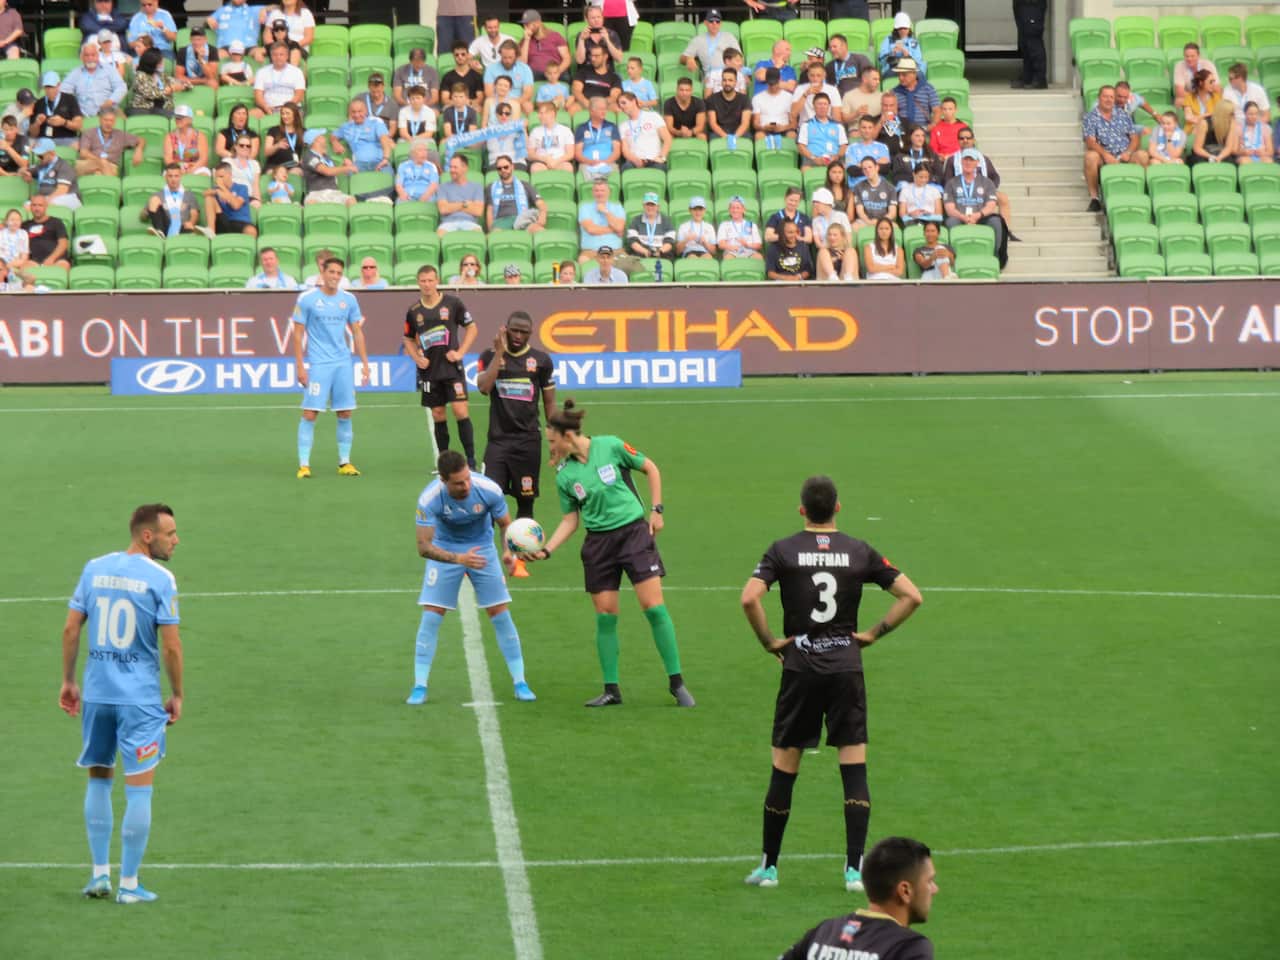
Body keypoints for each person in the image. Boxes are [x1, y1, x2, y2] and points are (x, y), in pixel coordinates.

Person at [741, 475, 923, 891]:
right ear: (837, 508)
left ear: (802, 510)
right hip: (845, 667)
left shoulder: (782, 550)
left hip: (800, 668)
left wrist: (770, 642)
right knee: (853, 767)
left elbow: (749, 598)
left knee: (785, 767)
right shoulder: (859, 550)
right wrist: (874, 633)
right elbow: (912, 596)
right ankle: (855, 870)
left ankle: (769, 867)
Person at [526, 399, 694, 708]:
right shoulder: (564, 475)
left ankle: (677, 683)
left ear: (567, 435)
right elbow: (570, 519)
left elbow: (650, 468)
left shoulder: (611, 446)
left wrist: (657, 510)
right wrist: (546, 550)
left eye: (552, 441)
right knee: (605, 615)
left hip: (633, 534)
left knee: (654, 607)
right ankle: (611, 690)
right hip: (598, 546)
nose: (550, 448)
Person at [60, 503, 184, 905]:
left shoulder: (94, 568)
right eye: (170, 533)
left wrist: (68, 681)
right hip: (139, 702)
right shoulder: (160, 579)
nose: (176, 540)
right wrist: (177, 693)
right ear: (147, 535)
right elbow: (171, 647)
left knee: (98, 779)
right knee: (139, 791)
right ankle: (129, 884)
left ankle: (99, 875)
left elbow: (70, 628)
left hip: (97, 694)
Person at [407, 449, 537, 704]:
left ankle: (520, 681)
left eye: (467, 478)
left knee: (499, 612)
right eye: (458, 482)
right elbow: (423, 547)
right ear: (443, 481)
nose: (466, 485)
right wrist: (458, 559)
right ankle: (419, 685)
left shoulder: (488, 489)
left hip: (482, 548)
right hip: (445, 548)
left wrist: (508, 553)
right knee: (432, 614)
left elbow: (505, 526)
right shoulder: (429, 499)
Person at [476, 309, 555, 566]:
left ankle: (518, 558)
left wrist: (555, 440)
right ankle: (485, 555)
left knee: (525, 502)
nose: (518, 336)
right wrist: (499, 353)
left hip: (528, 442)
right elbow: (484, 388)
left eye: (524, 332)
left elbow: (550, 403)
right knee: (489, 500)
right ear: (505, 329)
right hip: (498, 442)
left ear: (530, 333)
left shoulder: (541, 361)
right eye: (514, 330)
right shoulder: (488, 356)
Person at [777, 836, 938, 958]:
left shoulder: (824, 932)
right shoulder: (908, 947)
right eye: (929, 881)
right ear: (905, 891)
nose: (935, 889)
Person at [292, 256, 369, 479]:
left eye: (338, 273)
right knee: (310, 413)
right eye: (331, 272)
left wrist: (365, 363)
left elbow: (356, 332)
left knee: (345, 412)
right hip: (319, 365)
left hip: (343, 363)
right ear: (323, 273)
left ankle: (344, 462)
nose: (335, 276)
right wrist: (300, 366)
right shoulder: (307, 299)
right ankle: (304, 465)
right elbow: (297, 335)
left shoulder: (349, 299)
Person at [404, 264, 478, 469]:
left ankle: (471, 460)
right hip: (429, 371)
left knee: (460, 410)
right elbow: (408, 338)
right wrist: (417, 359)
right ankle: (445, 463)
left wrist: (461, 352)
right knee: (438, 414)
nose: (427, 284)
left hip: (452, 369)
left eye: (430, 280)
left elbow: (472, 328)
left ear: (437, 281)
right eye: (423, 281)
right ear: (418, 282)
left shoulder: (453, 303)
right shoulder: (414, 311)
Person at [1082, 85, 1147, 212]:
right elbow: (1090, 141)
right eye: (1105, 96)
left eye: (1111, 97)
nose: (1108, 99)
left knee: (1143, 155)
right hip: (1104, 156)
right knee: (1090, 157)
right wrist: (1106, 155)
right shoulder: (1090, 117)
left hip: (1124, 154)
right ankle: (1095, 199)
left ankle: (1142, 193)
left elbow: (1134, 137)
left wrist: (1128, 152)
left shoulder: (1123, 114)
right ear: (1099, 98)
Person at [63, 43, 128, 119]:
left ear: (98, 56)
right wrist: (75, 106)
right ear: (81, 57)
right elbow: (63, 91)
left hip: (109, 109)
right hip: (83, 113)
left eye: (93, 55)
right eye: (87, 55)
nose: (90, 58)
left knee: (125, 125)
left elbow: (121, 87)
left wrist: (110, 101)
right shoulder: (75, 73)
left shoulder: (109, 70)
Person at [332, 97, 393, 173]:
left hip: (379, 161)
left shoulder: (375, 123)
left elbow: (384, 140)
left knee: (387, 178)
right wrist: (335, 142)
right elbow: (333, 136)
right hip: (358, 164)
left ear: (366, 111)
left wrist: (385, 159)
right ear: (350, 113)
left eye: (360, 111)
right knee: (347, 172)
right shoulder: (346, 127)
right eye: (353, 112)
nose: (357, 115)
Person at [142, 162, 201, 237]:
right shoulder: (157, 195)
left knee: (191, 230)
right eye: (170, 176)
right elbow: (143, 217)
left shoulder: (189, 195)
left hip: (183, 227)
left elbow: (194, 213)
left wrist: (191, 223)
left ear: (180, 177)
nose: (173, 179)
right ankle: (160, 232)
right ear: (165, 177)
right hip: (165, 226)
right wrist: (148, 211)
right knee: (154, 200)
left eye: (176, 176)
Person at [487, 154, 545, 230]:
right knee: (495, 235)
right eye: (499, 168)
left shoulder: (525, 185)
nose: (503, 170)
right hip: (501, 222)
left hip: (522, 219)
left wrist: (542, 218)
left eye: (506, 167)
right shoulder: (491, 187)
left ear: (512, 167)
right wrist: (491, 229)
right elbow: (489, 211)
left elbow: (541, 204)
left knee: (539, 230)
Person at [301, 127, 356, 206]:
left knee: (351, 200)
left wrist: (344, 165)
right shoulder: (309, 156)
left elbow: (333, 171)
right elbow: (327, 171)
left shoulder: (326, 156)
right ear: (316, 140)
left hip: (334, 193)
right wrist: (347, 168)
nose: (325, 138)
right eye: (322, 136)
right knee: (311, 203)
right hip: (316, 194)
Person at [577, 176, 626, 261]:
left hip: (615, 251)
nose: (599, 193)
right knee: (582, 260)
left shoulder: (618, 207)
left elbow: (619, 227)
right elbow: (591, 229)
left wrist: (606, 212)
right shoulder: (584, 207)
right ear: (593, 192)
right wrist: (613, 229)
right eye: (596, 190)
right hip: (591, 251)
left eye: (602, 190)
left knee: (629, 264)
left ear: (608, 192)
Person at [252, 42, 306, 118]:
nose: (278, 57)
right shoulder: (262, 72)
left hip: (291, 108)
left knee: (297, 114)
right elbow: (258, 96)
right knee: (252, 114)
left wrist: (286, 108)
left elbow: (299, 95)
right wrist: (265, 106)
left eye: (281, 54)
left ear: (287, 56)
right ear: (271, 56)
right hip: (268, 109)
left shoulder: (296, 71)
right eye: (275, 55)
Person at [620, 91, 671, 170]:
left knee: (660, 168)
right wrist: (636, 160)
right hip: (634, 161)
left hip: (654, 160)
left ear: (633, 101)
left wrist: (661, 157)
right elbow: (625, 150)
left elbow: (667, 139)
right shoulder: (623, 126)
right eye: (619, 104)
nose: (621, 106)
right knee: (626, 168)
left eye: (623, 103)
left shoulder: (653, 116)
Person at [574, 97, 622, 179]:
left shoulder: (612, 126)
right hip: (587, 164)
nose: (604, 112)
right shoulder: (582, 128)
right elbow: (577, 153)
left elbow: (617, 151)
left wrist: (605, 162)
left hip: (609, 164)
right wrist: (590, 162)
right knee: (589, 181)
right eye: (601, 109)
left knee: (612, 180)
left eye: (605, 109)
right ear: (591, 111)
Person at [27, 138, 82, 210]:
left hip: (68, 197)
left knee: (41, 205)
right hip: (47, 197)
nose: (39, 158)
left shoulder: (63, 166)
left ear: (52, 153)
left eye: (41, 156)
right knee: (27, 205)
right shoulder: (41, 165)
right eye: (37, 155)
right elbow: (24, 170)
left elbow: (62, 190)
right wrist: (25, 173)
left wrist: (44, 201)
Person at [204, 160, 256, 235]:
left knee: (251, 230)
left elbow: (236, 205)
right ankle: (210, 231)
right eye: (217, 177)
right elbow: (205, 193)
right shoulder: (216, 190)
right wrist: (216, 191)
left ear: (230, 175)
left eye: (221, 177)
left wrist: (223, 189)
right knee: (209, 198)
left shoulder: (242, 188)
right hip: (225, 222)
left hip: (241, 222)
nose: (218, 180)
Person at [436, 153, 484, 233]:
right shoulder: (443, 187)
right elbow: (443, 209)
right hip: (448, 223)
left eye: (455, 167)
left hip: (470, 223)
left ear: (465, 168)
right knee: (440, 234)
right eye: (450, 167)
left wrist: (451, 206)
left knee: (478, 234)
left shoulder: (477, 187)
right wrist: (465, 204)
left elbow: (478, 211)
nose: (452, 170)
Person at [33, 73, 84, 146]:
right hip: (44, 139)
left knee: (76, 145)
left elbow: (78, 125)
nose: (49, 90)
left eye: (52, 87)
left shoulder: (70, 99)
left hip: (66, 138)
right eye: (47, 87)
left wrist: (63, 122)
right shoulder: (39, 103)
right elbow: (33, 133)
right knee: (33, 145)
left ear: (59, 85)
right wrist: (37, 123)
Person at [681, 9, 737, 75]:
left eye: (717, 21)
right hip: (710, 76)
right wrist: (688, 59)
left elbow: (739, 57)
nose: (714, 24)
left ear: (721, 23)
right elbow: (682, 58)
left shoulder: (729, 37)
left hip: (729, 74)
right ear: (705, 23)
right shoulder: (698, 40)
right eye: (711, 21)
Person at [22, 194, 71, 270]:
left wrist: (51, 258)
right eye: (34, 205)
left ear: (46, 207)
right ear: (30, 207)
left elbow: (63, 244)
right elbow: (9, 226)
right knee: (24, 268)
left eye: (40, 205)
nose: (37, 208)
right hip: (34, 261)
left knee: (63, 267)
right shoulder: (25, 225)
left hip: (57, 260)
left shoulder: (56, 222)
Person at [519, 10, 570, 81]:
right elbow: (522, 64)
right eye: (525, 25)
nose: (526, 27)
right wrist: (527, 39)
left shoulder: (555, 36)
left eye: (528, 24)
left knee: (566, 77)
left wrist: (556, 72)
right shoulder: (524, 41)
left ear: (538, 22)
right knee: (522, 77)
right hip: (534, 73)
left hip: (556, 72)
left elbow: (567, 58)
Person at [528, 101, 575, 172]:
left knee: (568, 167)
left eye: (542, 113)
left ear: (552, 114)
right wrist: (544, 159)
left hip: (560, 161)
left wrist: (556, 161)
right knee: (535, 168)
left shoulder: (565, 130)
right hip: (542, 162)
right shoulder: (535, 131)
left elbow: (570, 153)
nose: (539, 116)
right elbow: (530, 154)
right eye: (539, 113)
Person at [706, 66, 750, 141]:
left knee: (747, 139)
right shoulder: (712, 99)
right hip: (719, 133)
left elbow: (745, 123)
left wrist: (735, 137)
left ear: (736, 82)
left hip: (739, 132)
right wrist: (726, 137)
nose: (727, 83)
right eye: (724, 80)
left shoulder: (744, 99)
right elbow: (713, 123)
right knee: (713, 138)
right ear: (721, 82)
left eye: (730, 80)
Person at [1012, 0, 1048, 89]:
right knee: (1024, 41)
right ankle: (1028, 76)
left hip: (1033, 4)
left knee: (1033, 39)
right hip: (1022, 4)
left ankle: (1040, 79)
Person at [164, 104, 209, 175]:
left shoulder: (200, 136)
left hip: (195, 166)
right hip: (175, 167)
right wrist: (179, 169)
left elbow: (204, 158)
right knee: (169, 174)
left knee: (203, 174)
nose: (178, 120)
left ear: (190, 119)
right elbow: (168, 159)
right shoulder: (169, 137)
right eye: (176, 117)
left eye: (181, 117)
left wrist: (192, 169)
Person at [879, 12, 926, 80]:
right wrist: (892, 53)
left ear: (909, 28)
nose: (903, 30)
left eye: (905, 28)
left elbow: (918, 61)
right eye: (900, 28)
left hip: (910, 68)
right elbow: (882, 61)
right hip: (893, 68)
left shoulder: (913, 42)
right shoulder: (888, 40)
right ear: (896, 29)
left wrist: (907, 55)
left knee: (919, 75)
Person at [717, 195, 763, 260]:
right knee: (728, 258)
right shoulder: (724, 225)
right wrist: (731, 247)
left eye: (738, 208)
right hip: (731, 251)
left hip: (749, 251)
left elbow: (758, 245)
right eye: (732, 208)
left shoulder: (751, 225)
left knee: (759, 257)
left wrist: (747, 245)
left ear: (743, 210)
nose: (735, 210)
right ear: (729, 210)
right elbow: (721, 244)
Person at [395, 136, 440, 203]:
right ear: (412, 152)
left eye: (425, 150)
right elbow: (398, 184)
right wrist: (403, 194)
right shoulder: (403, 165)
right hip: (407, 194)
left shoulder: (431, 166)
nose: (424, 153)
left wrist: (425, 196)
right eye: (420, 150)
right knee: (401, 202)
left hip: (427, 195)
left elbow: (434, 184)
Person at [441, 42, 484, 108]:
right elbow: (444, 99)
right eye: (457, 55)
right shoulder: (447, 77)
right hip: (453, 106)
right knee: (445, 109)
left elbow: (480, 99)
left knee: (480, 109)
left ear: (468, 55)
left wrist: (468, 102)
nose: (460, 57)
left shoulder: (476, 76)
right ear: (453, 56)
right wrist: (458, 103)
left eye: (463, 54)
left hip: (471, 106)